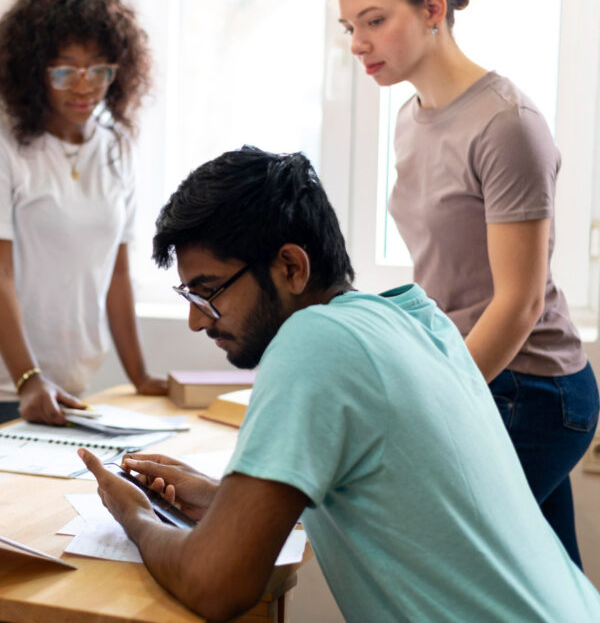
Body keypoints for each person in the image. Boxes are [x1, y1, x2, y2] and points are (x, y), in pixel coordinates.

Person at [80, 147, 600, 623]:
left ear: (290, 267)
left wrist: (136, 516)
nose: (199, 322)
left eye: (209, 292)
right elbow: (405, 507)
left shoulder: (313, 341)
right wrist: (225, 504)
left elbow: (216, 585)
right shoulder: (419, 321)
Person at [336, 0, 599, 566]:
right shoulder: (410, 116)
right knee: (544, 586)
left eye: (374, 21)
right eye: (350, 28)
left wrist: (437, 397)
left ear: (433, 9)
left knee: (438, 564)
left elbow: (520, 301)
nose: (357, 44)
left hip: (531, 392)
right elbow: (445, 275)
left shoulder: (506, 124)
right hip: (480, 373)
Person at [0, 0, 167, 429]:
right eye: (65, 70)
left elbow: (117, 271)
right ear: (32, 69)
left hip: (67, 373)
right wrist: (27, 378)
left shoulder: (117, 147)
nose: (84, 86)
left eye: (99, 69)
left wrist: (138, 374)